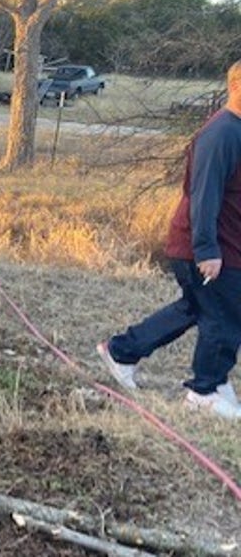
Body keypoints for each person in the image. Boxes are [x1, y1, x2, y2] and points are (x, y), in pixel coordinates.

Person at [97, 60, 241, 419]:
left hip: (225, 244)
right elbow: (204, 194)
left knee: (197, 308)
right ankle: (204, 391)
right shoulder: (221, 133)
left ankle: (122, 351)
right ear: (237, 85)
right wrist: (207, 249)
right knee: (223, 316)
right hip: (205, 245)